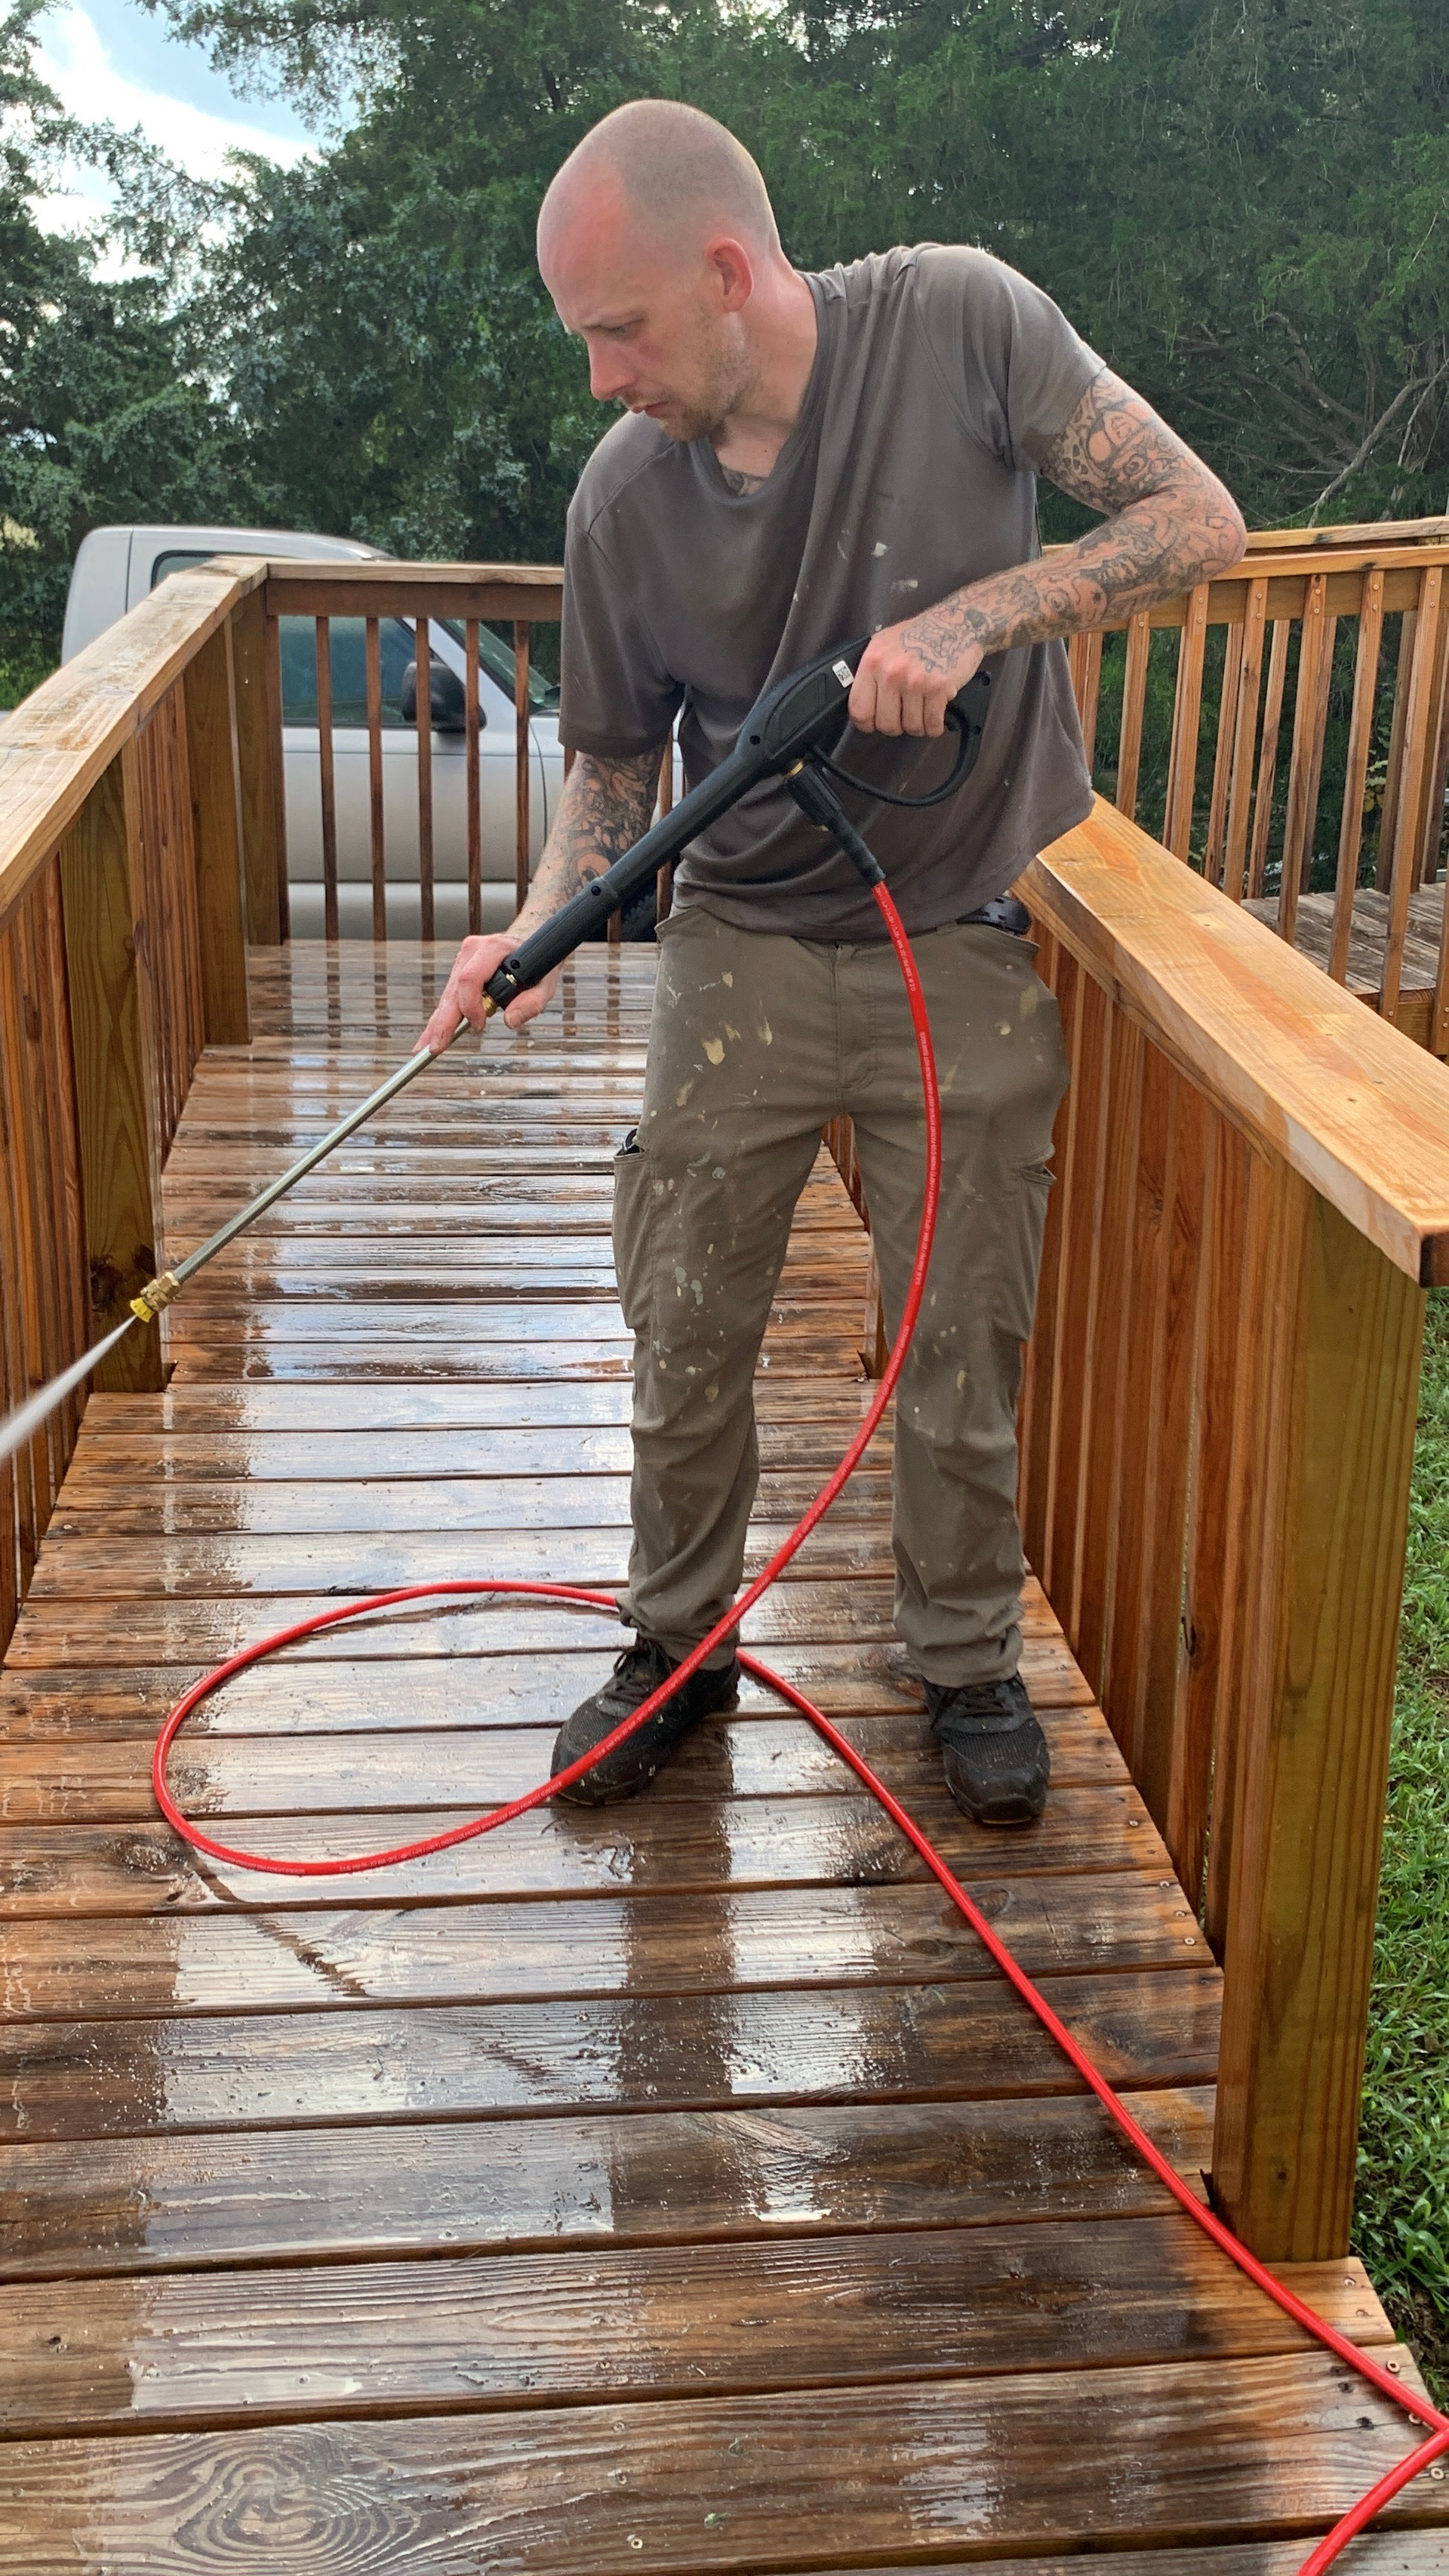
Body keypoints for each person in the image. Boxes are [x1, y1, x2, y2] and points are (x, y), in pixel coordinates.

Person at [421, 100, 1244, 1827]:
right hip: (740, 945)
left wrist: (972, 618)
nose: (600, 381)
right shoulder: (622, 499)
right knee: (688, 1310)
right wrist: (540, 918)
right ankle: (677, 1645)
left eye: (618, 333)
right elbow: (612, 772)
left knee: (961, 1324)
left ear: (728, 273)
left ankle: (962, 1659)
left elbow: (1200, 518)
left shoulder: (961, 320)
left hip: (963, 925)